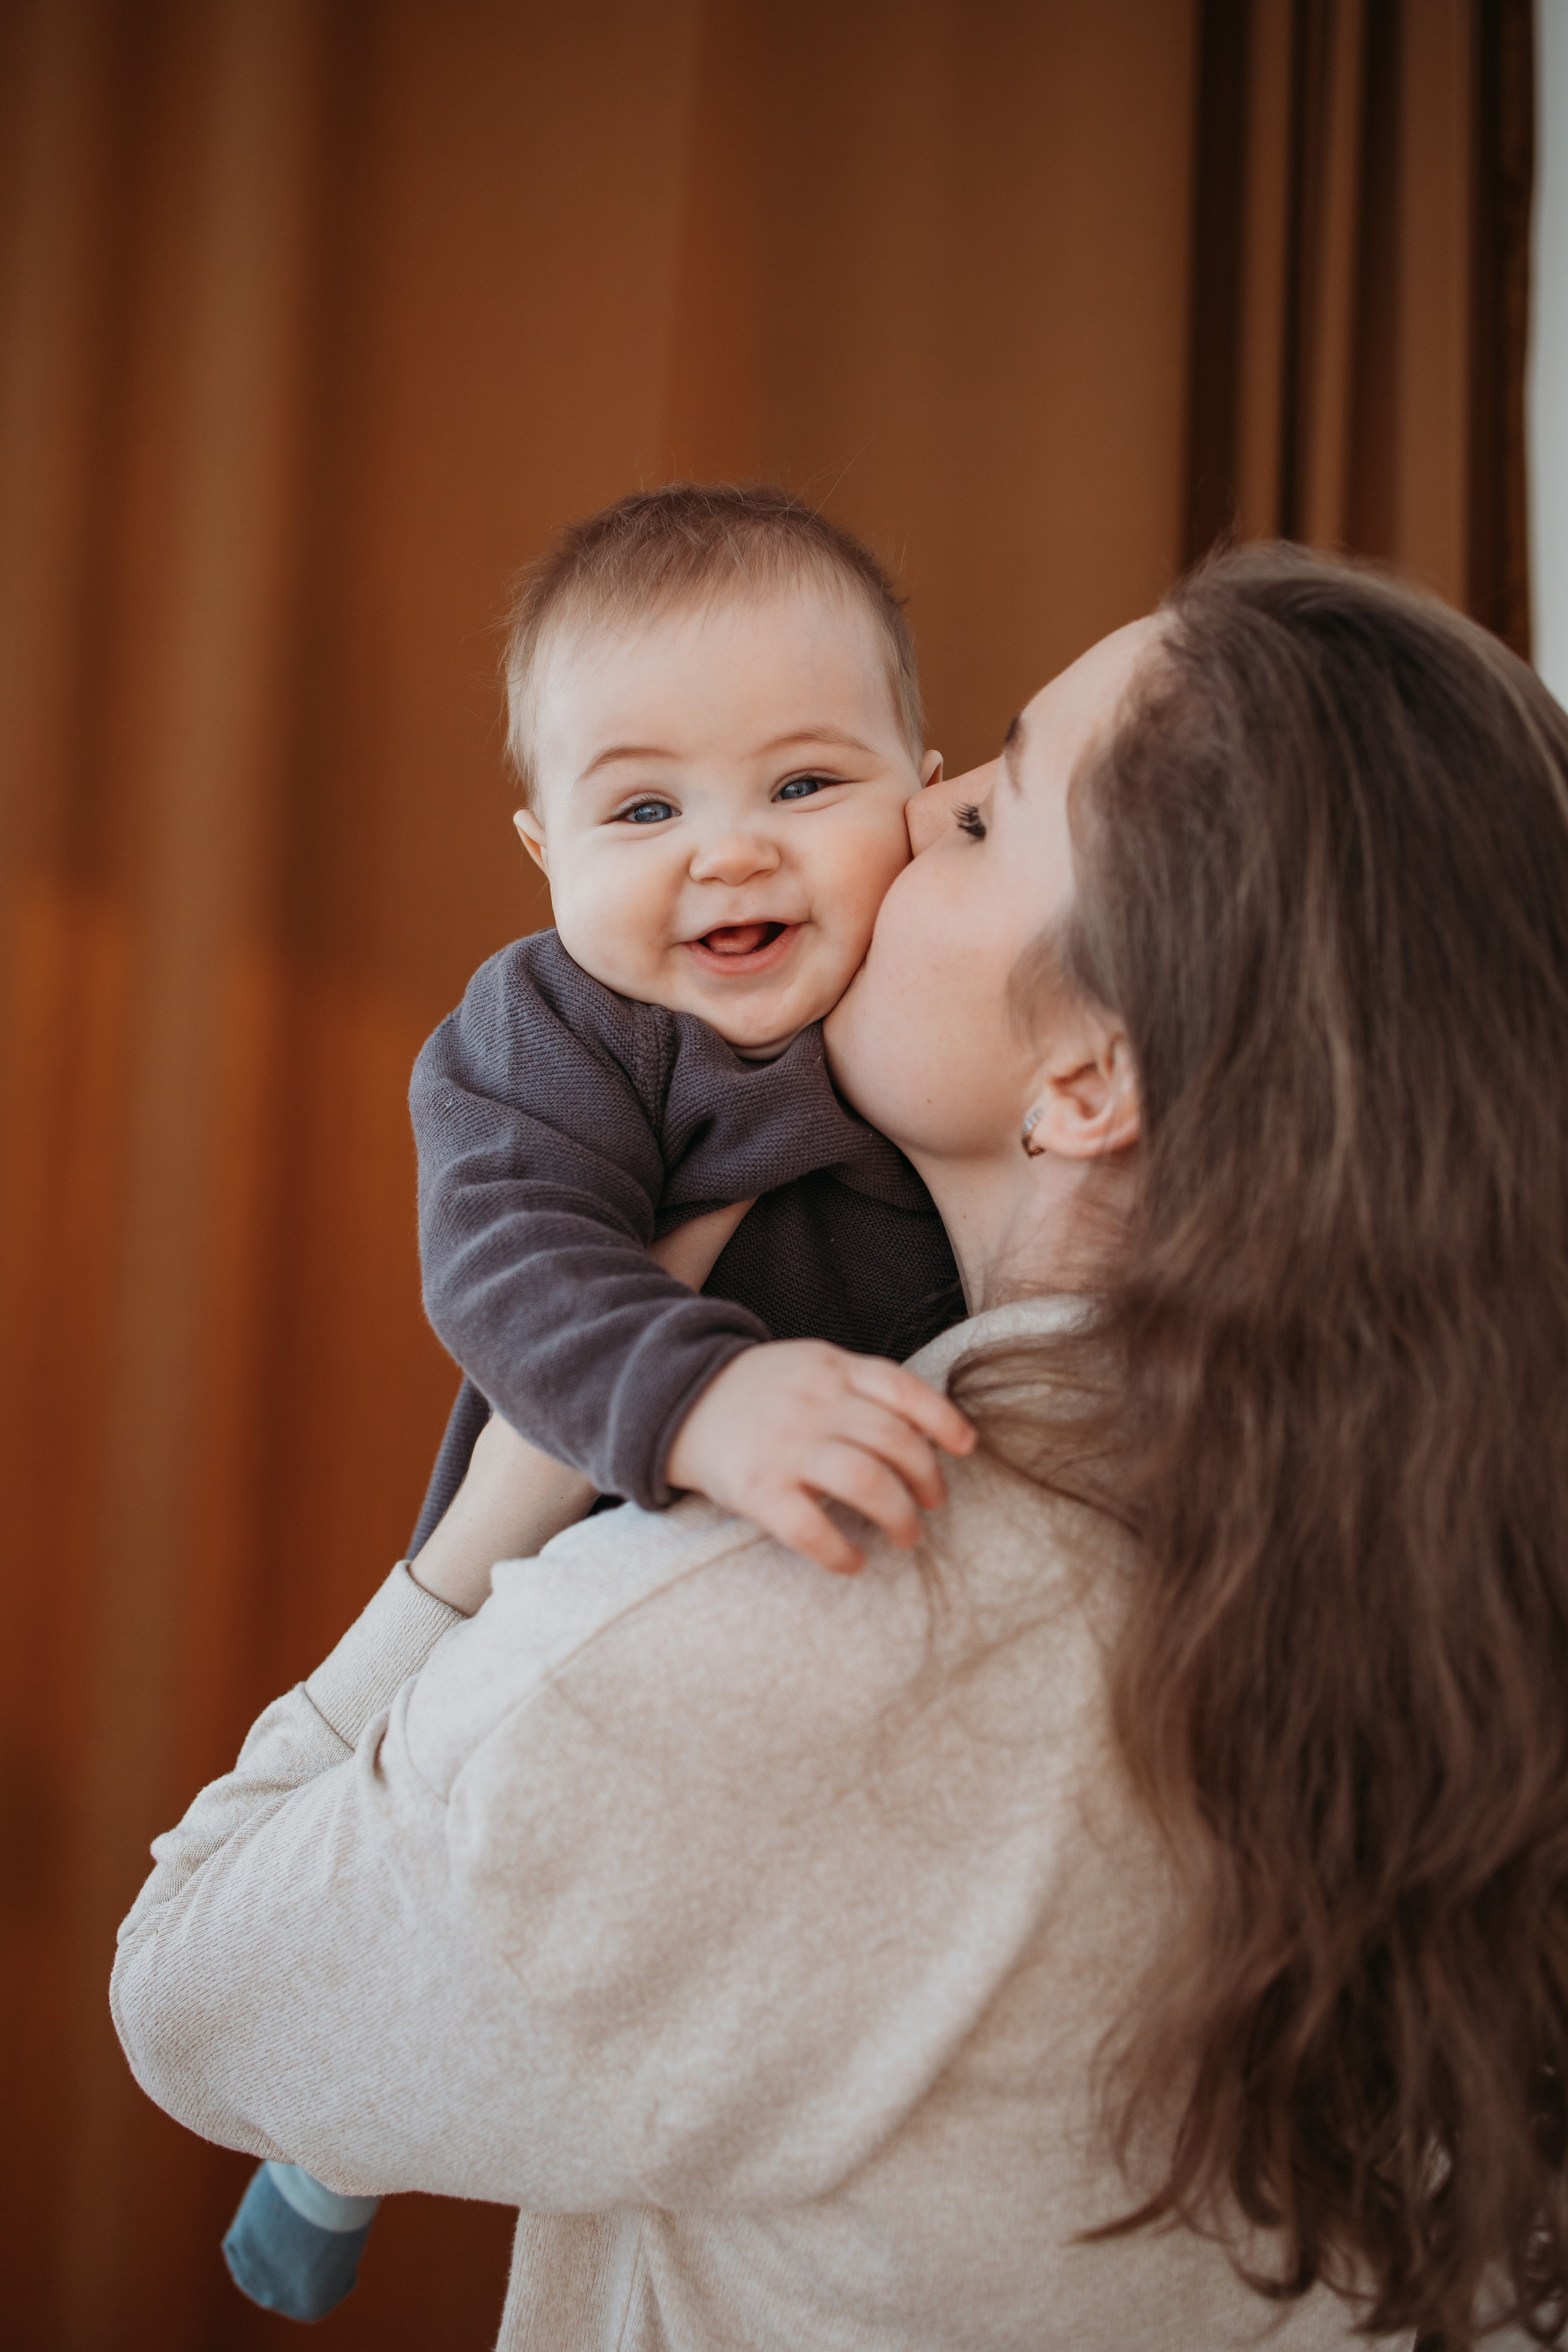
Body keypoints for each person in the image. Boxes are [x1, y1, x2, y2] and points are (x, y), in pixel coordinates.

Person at [113, 544, 1568, 2349]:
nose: (922, 799)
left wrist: (489, 1530)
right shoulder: (1463, 1595)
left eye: (983, 815)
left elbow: (195, 1997)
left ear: (1090, 1080)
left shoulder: (779, 1626)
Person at [219, 481, 980, 2320]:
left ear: (924, 793)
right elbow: (510, 1275)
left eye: (807, 787)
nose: (730, 857)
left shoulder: (944, 992)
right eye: (644, 810)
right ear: (542, 845)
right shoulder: (548, 1032)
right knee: (464, 1850)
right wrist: (702, 1403)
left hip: (857, 1579)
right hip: (584, 1521)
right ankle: (332, 2141)